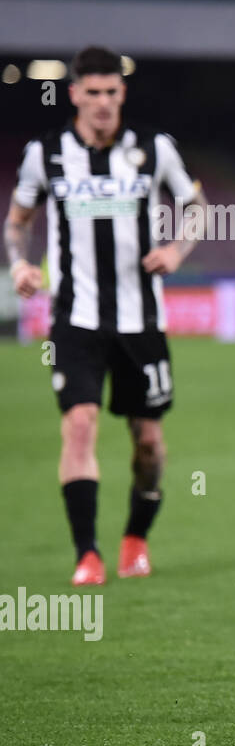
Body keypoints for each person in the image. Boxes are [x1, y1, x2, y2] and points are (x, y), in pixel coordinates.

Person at [5, 45, 207, 586]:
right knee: (79, 423)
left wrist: (176, 252)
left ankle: (135, 539)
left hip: (142, 321)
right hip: (75, 319)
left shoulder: (154, 148)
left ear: (122, 94)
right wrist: (20, 264)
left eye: (110, 93)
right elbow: (17, 220)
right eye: (90, 92)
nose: (101, 103)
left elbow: (196, 207)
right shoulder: (45, 153)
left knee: (148, 440)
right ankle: (86, 554)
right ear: (73, 93)